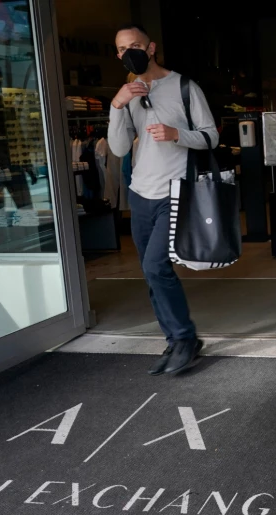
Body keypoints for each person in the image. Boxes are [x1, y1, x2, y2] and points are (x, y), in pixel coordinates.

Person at [107, 24, 219, 375]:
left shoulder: (184, 86)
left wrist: (177, 135)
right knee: (150, 271)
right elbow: (119, 148)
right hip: (140, 194)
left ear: (151, 47)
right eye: (123, 50)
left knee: (156, 267)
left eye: (136, 45)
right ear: (118, 55)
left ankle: (185, 338)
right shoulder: (126, 94)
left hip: (176, 190)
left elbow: (211, 136)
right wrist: (117, 104)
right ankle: (175, 340)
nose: (130, 53)